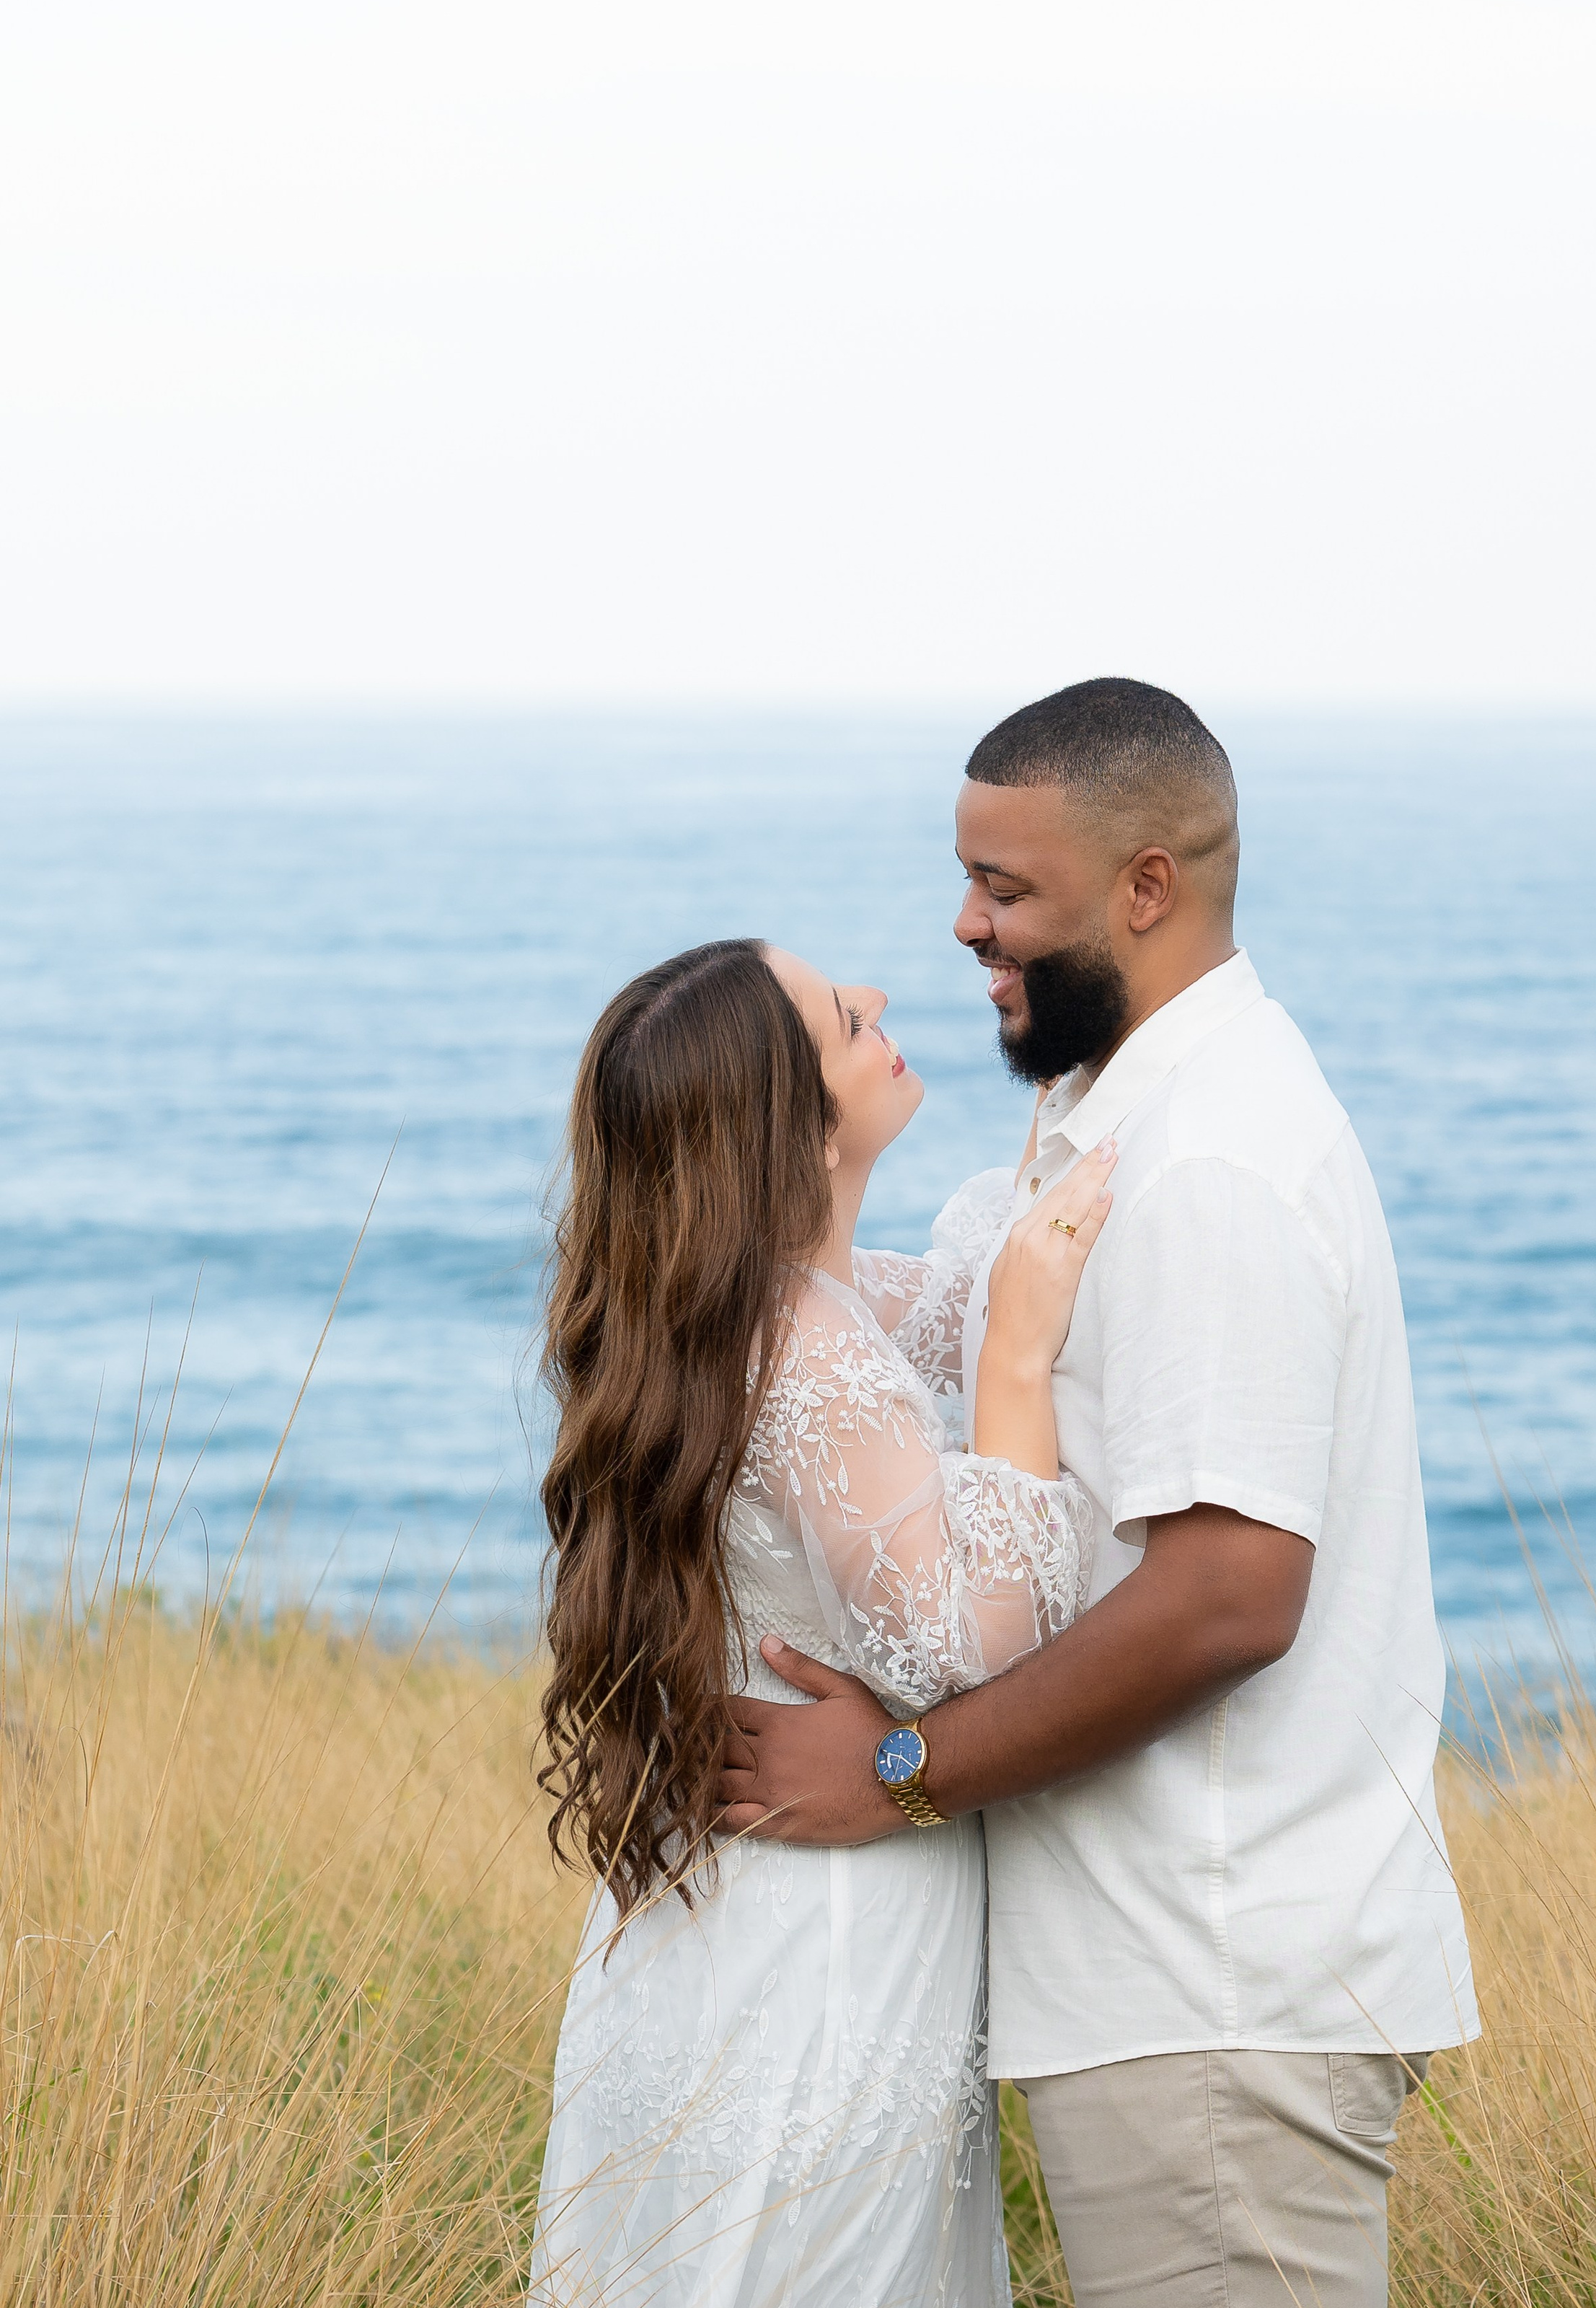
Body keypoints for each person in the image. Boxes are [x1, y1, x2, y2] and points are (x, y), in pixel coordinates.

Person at [720, 679, 1481, 2308]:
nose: (963, 925)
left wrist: (902, 1774)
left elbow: (1228, 1597)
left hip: (1213, 1988)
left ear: (1146, 886)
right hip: (1161, 1985)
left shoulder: (1206, 1164)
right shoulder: (1108, 1119)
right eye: (966, 877)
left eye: (1005, 889)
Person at [528, 936, 1116, 2307]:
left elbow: (956, 1295)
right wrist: (1017, 1367)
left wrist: (1068, 1113)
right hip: (824, 1943)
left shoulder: (735, 1313)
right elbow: (967, 1644)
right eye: (848, 1020)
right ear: (788, 1129)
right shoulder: (810, 1348)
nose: (884, 1003)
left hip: (714, 1928)